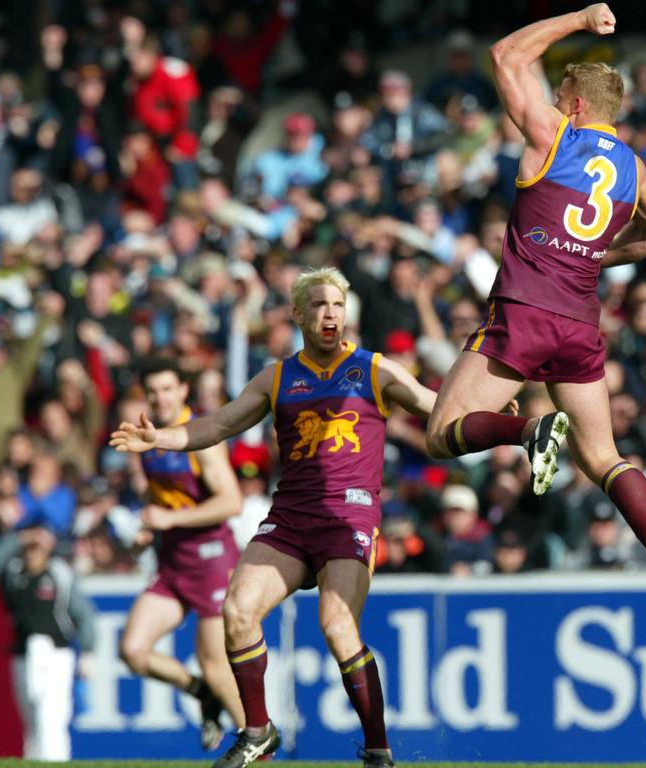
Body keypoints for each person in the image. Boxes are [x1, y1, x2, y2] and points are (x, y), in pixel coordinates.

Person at [423, 3, 646, 631]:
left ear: (574, 104)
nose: (550, 98)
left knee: (444, 432)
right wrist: (597, 253)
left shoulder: (554, 136)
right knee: (602, 455)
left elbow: (504, 54)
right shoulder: (633, 167)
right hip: (580, 323)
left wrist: (578, 18)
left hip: (525, 311)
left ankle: (526, 433)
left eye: (559, 92)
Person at [111, 267, 437, 768]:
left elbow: (433, 407)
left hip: (347, 515)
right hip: (289, 517)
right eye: (320, 306)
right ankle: (258, 731)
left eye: (338, 305)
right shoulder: (278, 376)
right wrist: (163, 437)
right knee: (238, 611)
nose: (331, 314)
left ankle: (378, 750)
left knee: (337, 627)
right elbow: (219, 423)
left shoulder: (375, 369)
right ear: (299, 315)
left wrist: (486, 407)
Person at [117, 357, 246, 752]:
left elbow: (231, 502)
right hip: (173, 562)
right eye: (152, 391)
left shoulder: (200, 438)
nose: (159, 398)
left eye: (167, 389)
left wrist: (171, 521)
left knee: (215, 663)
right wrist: (149, 526)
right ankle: (203, 695)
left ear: (183, 391)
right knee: (134, 651)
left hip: (210, 560)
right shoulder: (149, 437)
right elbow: (165, 498)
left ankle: (259, 745)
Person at [0, 524, 96, 761]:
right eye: (29, 549)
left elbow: (83, 613)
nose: (33, 554)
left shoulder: (58, 573)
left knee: (52, 717)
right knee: (31, 719)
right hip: (23, 654)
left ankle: (55, 760)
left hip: (55, 652)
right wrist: (21, 538)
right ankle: (34, 760)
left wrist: (89, 650)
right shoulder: (15, 573)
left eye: (37, 548)